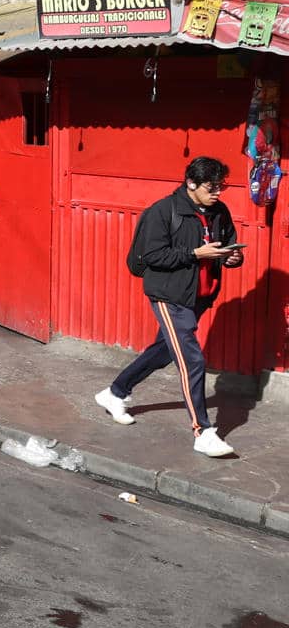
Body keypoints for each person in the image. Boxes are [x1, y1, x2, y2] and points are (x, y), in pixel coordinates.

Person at [96, 156, 241, 458]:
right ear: (191, 183)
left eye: (221, 187)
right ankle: (203, 432)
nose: (217, 193)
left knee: (163, 351)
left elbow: (228, 242)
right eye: (211, 187)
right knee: (192, 360)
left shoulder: (219, 212)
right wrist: (195, 254)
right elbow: (153, 256)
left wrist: (232, 258)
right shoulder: (163, 211)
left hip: (199, 295)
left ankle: (115, 392)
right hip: (168, 294)